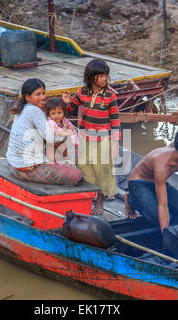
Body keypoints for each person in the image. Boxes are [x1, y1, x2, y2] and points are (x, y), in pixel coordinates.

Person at [62, 59, 121, 215]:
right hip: (85, 138)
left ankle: (100, 201)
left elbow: (115, 121)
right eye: (101, 76)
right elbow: (68, 109)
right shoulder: (82, 92)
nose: (104, 79)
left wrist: (115, 144)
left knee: (102, 170)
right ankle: (89, 197)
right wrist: (65, 102)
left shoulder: (110, 96)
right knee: (84, 167)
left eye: (106, 76)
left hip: (103, 140)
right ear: (91, 76)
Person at [6, 78, 83, 186]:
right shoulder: (34, 110)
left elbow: (52, 113)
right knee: (76, 175)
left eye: (43, 93)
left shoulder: (22, 107)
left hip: (12, 162)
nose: (42, 97)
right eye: (38, 94)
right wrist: (69, 134)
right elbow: (52, 138)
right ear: (28, 97)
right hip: (25, 168)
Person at [45, 97, 78, 162]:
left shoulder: (64, 120)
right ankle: (54, 167)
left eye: (59, 113)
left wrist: (75, 144)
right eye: (53, 113)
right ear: (49, 114)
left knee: (66, 155)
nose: (56, 115)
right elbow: (58, 131)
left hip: (61, 142)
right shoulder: (50, 122)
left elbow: (72, 129)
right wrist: (69, 132)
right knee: (52, 159)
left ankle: (68, 164)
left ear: (64, 112)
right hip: (51, 143)